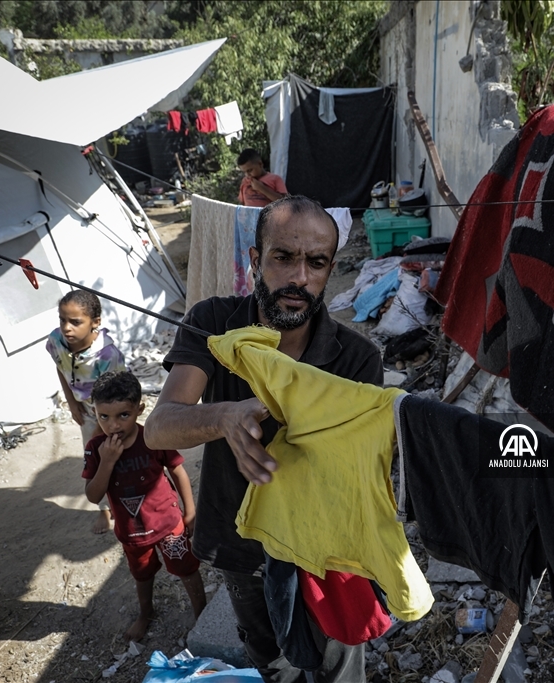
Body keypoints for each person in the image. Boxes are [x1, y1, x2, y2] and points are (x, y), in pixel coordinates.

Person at [145, 195, 380, 682]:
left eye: (315, 263)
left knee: (337, 662)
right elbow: (160, 425)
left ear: (330, 270)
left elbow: (366, 471)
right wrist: (226, 417)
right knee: (273, 663)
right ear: (256, 260)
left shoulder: (357, 360)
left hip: (326, 549)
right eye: (283, 257)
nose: (298, 278)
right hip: (241, 544)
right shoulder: (214, 323)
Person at [83, 371, 207, 642]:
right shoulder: (96, 448)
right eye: (104, 416)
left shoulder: (152, 436)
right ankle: (146, 613)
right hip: (132, 532)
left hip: (169, 524)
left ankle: (202, 614)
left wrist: (190, 510)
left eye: (123, 415)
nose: (113, 425)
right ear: (95, 413)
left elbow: (177, 471)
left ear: (139, 409)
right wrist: (107, 462)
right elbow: (93, 495)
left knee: (187, 569)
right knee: (141, 574)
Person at [46, 290, 126, 534]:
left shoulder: (107, 355)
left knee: (123, 455)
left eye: (75, 322)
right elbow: (60, 366)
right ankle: (104, 509)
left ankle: (133, 502)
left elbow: (120, 395)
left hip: (115, 412)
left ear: (95, 323)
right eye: (62, 320)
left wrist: (109, 424)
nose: (67, 328)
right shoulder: (57, 340)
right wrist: (71, 402)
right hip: (88, 411)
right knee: (94, 457)